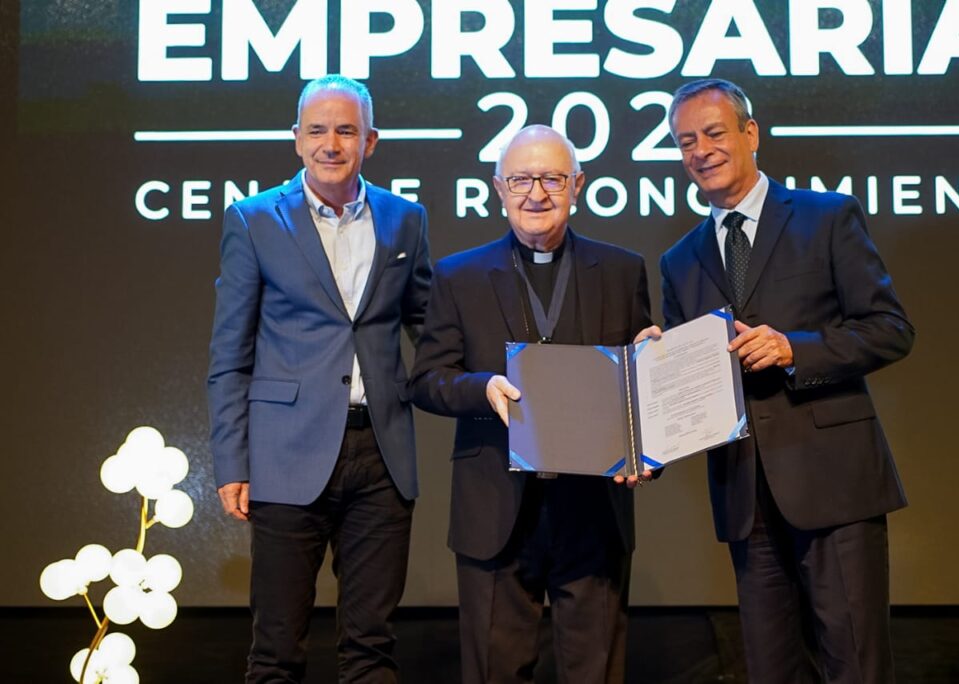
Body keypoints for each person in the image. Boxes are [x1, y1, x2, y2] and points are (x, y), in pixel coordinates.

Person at [637, 78, 914, 683]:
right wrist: (653, 398)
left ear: (751, 133)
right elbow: (691, 384)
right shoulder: (679, 260)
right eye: (686, 142)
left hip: (834, 484)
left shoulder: (826, 216)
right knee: (771, 670)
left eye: (714, 133)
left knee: (856, 664)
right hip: (745, 496)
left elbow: (890, 329)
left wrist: (795, 349)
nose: (700, 151)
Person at [207, 75, 431, 683]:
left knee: (372, 647)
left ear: (370, 141)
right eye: (317, 130)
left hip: (382, 454)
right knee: (276, 652)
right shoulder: (253, 219)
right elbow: (230, 353)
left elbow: (431, 328)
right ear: (296, 139)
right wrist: (232, 462)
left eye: (346, 131)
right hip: (285, 453)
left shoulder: (405, 219)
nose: (331, 144)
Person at [410, 125, 651, 684]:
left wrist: (653, 375)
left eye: (552, 179)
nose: (536, 193)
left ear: (578, 185)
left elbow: (639, 378)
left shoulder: (622, 270)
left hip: (594, 509)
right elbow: (426, 380)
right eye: (520, 180)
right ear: (498, 188)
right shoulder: (458, 275)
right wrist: (482, 389)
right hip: (495, 508)